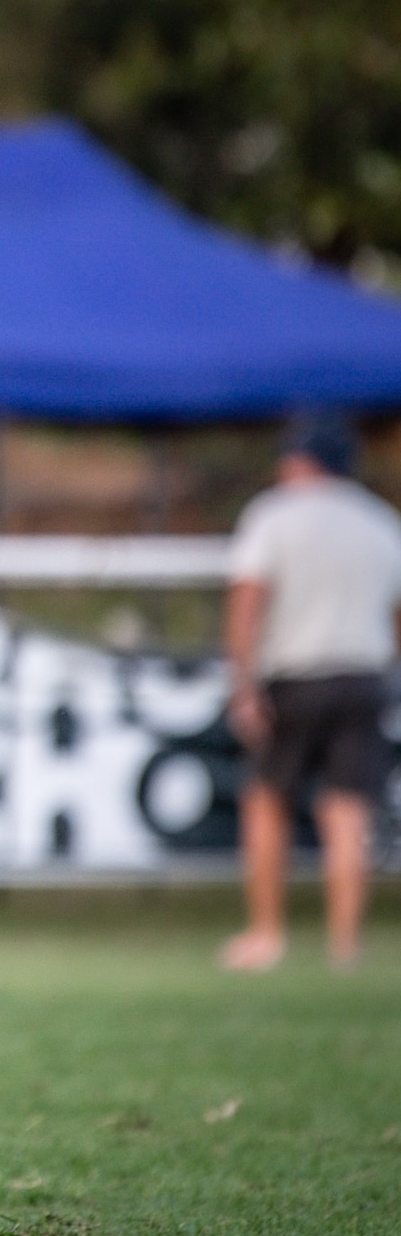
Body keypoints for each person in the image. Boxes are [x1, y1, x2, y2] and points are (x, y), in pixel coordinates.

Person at [221, 414, 401, 972]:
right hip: (363, 678)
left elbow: (248, 599)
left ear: (300, 462)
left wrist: (242, 684)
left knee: (267, 803)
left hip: (294, 678)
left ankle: (266, 934)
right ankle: (345, 945)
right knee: (348, 814)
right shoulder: (380, 522)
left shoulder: (273, 516)